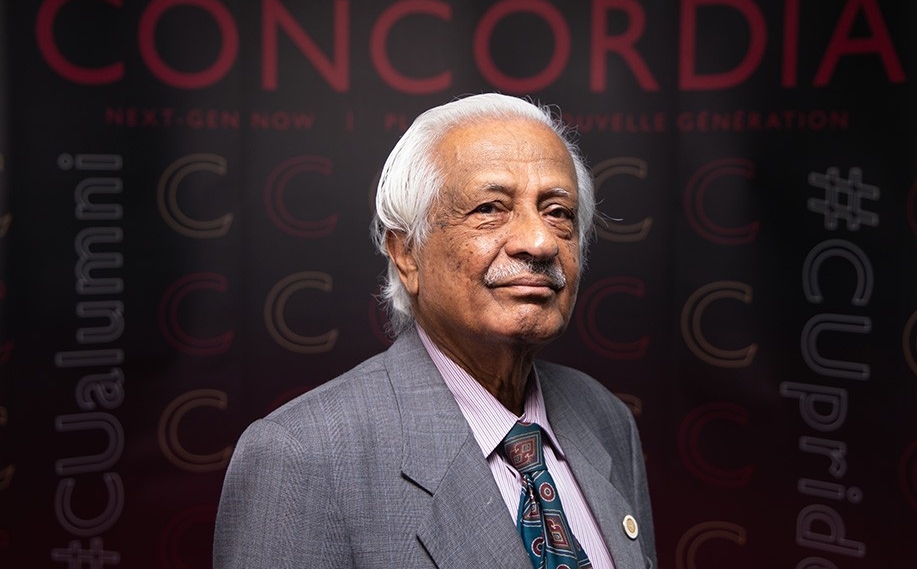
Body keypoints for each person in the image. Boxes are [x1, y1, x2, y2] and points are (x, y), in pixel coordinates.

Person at [213, 93, 656, 568]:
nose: (540, 241)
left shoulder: (607, 420)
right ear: (406, 254)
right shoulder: (302, 457)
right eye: (491, 207)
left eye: (558, 212)